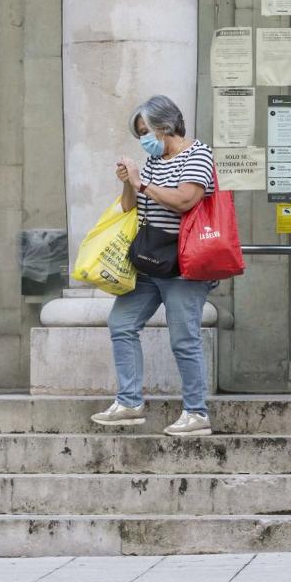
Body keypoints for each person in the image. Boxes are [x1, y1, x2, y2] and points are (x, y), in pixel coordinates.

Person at [90, 95, 217, 436]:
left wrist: (141, 182)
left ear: (165, 126)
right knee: (121, 322)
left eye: (146, 131)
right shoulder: (153, 160)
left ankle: (196, 412)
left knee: (184, 338)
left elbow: (185, 200)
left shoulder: (198, 154)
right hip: (149, 261)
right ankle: (130, 401)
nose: (144, 139)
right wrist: (127, 182)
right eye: (139, 134)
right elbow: (133, 205)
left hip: (183, 265)